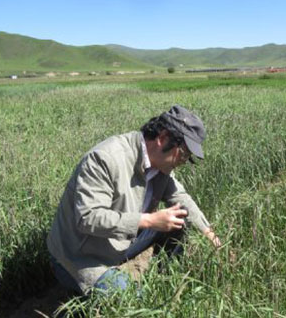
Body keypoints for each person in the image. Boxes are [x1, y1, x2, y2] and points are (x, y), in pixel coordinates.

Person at [47, 105, 221, 295]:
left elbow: (181, 198)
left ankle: (167, 283)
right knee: (137, 301)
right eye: (183, 153)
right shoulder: (105, 159)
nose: (183, 161)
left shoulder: (160, 166)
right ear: (163, 138)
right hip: (81, 257)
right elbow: (88, 218)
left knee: (178, 222)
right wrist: (149, 220)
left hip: (120, 244)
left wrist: (210, 235)